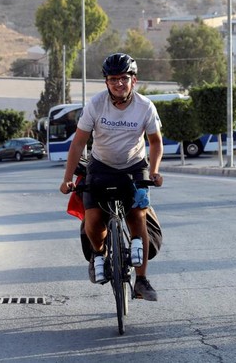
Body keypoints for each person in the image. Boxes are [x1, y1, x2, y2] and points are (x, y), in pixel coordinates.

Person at [59, 53, 163, 301]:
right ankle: (100, 254)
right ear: (106, 82)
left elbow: (155, 142)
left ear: (133, 80)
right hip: (101, 167)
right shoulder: (95, 105)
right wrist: (67, 179)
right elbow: (78, 143)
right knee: (93, 219)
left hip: (134, 166)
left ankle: (142, 280)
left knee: (137, 216)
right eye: (113, 79)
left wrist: (156, 170)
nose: (119, 83)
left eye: (124, 78)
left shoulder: (145, 106)